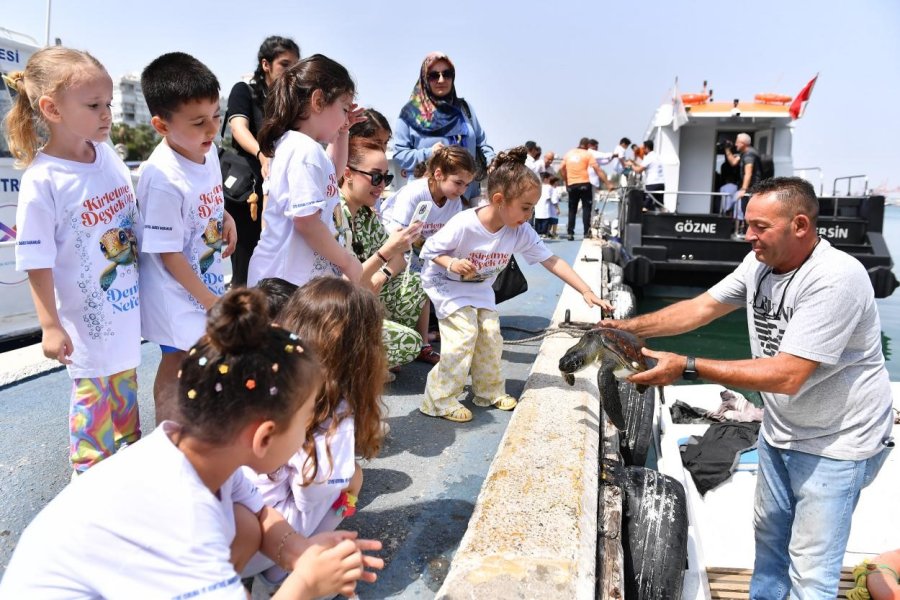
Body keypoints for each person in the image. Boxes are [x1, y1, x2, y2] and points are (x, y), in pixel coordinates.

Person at [600, 177, 894, 599]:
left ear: (799, 225)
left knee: (811, 567)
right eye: (747, 223)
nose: (747, 235)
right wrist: (625, 329)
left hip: (838, 441)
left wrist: (687, 367)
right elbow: (701, 309)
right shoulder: (758, 264)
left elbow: (788, 375)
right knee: (770, 540)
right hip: (781, 429)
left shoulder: (835, 279)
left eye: (759, 226)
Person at [0, 288, 385, 599]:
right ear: (264, 437)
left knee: (246, 527)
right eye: (304, 423)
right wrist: (305, 587)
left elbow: (264, 516)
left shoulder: (188, 451)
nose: (307, 436)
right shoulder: (186, 521)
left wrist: (301, 554)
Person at [5, 48, 143, 474]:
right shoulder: (42, 180)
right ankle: (90, 508)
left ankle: (127, 497)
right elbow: (36, 259)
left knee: (129, 434)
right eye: (94, 105)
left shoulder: (108, 156)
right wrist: (49, 323)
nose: (107, 115)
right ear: (52, 109)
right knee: (93, 443)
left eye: (109, 105)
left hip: (125, 326)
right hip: (86, 333)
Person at [418, 147, 612, 422]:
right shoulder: (464, 224)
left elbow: (551, 260)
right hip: (446, 284)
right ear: (499, 200)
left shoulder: (519, 229)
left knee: (490, 336)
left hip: (478, 287)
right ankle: (438, 399)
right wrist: (451, 263)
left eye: (533, 207)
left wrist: (586, 291)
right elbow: (429, 250)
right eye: (525, 207)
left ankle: (487, 391)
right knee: (463, 336)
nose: (530, 214)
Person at [242, 277, 386, 586]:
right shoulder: (334, 408)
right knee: (353, 478)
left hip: (232, 519)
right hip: (264, 541)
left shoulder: (268, 368)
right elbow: (311, 492)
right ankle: (291, 571)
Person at [137, 52, 237, 424]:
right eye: (198, 122)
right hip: (174, 292)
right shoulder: (162, 178)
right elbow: (168, 255)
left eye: (216, 115)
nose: (212, 129)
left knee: (201, 358)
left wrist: (225, 216)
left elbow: (208, 198)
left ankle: (193, 428)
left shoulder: (205, 150)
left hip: (203, 282)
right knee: (177, 359)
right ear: (162, 126)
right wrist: (209, 299)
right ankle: (168, 434)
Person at [247, 54, 365, 288]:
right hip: (284, 285)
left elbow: (333, 173)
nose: (345, 117)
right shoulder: (304, 151)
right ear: (318, 101)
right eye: (343, 108)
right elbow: (306, 223)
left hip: (288, 282)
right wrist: (347, 262)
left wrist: (343, 131)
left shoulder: (297, 146)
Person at [380, 146, 476, 365]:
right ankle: (411, 338)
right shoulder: (415, 193)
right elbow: (398, 234)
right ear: (439, 174)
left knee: (433, 281)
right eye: (458, 182)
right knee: (415, 282)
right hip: (393, 243)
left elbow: (450, 238)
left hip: (422, 246)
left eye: (467, 185)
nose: (462, 190)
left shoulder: (454, 202)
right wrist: (427, 248)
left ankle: (424, 341)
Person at [338, 137, 429, 370]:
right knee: (411, 343)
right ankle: (359, 361)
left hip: (363, 297)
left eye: (386, 178)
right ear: (347, 173)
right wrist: (386, 252)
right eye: (376, 176)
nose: (382, 185)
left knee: (416, 284)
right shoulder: (334, 214)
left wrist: (383, 274)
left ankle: (376, 356)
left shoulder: (367, 215)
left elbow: (398, 259)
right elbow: (342, 285)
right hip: (337, 308)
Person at [225, 36, 300, 286]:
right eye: (285, 65)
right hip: (250, 190)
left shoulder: (292, 102)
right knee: (245, 266)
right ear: (266, 64)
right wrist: (262, 153)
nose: (292, 73)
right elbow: (238, 128)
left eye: (295, 67)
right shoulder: (243, 90)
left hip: (282, 187)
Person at [393, 51, 494, 203]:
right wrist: (428, 153)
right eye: (434, 75)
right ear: (424, 78)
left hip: (465, 198)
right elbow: (400, 155)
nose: (441, 80)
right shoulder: (410, 113)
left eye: (447, 74)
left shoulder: (464, 109)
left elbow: (482, 144)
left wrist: (493, 162)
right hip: (429, 201)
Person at [559, 137, 612, 240]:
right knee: (586, 209)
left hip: (572, 185)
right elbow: (598, 170)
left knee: (572, 209)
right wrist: (608, 183)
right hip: (584, 184)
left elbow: (561, 168)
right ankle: (586, 233)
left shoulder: (569, 153)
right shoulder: (588, 154)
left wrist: (566, 180)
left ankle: (570, 233)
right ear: (588, 145)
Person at [725, 132, 763, 200]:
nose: (735, 144)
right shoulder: (744, 153)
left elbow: (748, 173)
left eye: (737, 142)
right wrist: (727, 149)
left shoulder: (749, 154)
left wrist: (743, 189)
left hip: (752, 189)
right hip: (750, 189)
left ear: (743, 143)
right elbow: (733, 162)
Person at [630, 139, 665, 210]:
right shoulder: (657, 156)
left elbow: (638, 170)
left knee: (645, 206)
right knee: (660, 205)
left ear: (647, 148)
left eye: (643, 149)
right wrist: (634, 164)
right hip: (661, 184)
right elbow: (643, 166)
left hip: (652, 184)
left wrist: (631, 165)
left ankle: (642, 220)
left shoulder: (648, 157)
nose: (642, 150)